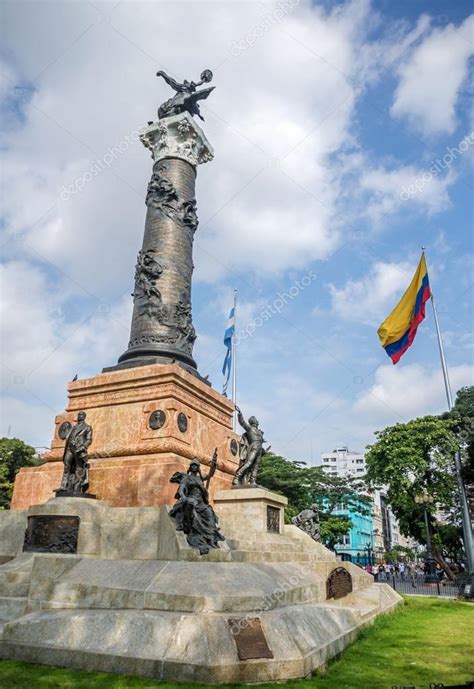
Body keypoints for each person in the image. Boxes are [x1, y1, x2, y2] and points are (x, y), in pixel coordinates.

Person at [169, 453, 224, 555]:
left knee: (209, 513)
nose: (194, 467)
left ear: (198, 468)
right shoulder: (186, 478)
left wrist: (214, 464)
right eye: (193, 465)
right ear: (190, 467)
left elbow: (210, 474)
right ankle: (195, 535)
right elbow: (181, 490)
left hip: (201, 503)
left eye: (196, 465)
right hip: (191, 500)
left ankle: (211, 537)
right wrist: (184, 498)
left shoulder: (200, 479)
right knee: (192, 512)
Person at [59, 411, 93, 493]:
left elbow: (89, 439)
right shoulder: (73, 428)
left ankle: (78, 486)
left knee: (79, 468)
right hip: (69, 449)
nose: (79, 416)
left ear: (84, 417)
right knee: (67, 466)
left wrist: (83, 447)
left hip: (78, 450)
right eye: (79, 415)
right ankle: (64, 486)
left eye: (81, 415)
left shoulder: (87, 427)